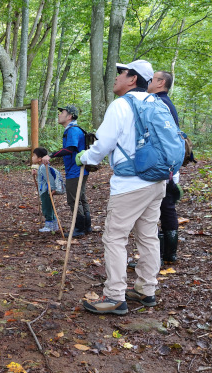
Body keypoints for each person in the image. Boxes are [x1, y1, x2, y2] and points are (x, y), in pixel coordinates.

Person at [76, 60, 164, 315]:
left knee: (114, 237)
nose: (116, 78)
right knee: (147, 236)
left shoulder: (122, 105)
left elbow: (104, 144)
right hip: (157, 182)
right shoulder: (156, 104)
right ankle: (146, 290)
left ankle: (115, 296)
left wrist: (86, 158)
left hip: (130, 184)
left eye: (121, 73)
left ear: (133, 78)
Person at [41, 105, 90, 237]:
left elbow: (70, 149)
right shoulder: (72, 129)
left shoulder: (73, 130)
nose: (59, 115)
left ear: (69, 116)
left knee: (74, 199)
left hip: (76, 170)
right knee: (81, 197)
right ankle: (87, 226)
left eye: (62, 112)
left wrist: (51, 155)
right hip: (78, 170)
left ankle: (79, 228)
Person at [148, 70, 180, 264]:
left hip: (164, 166)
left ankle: (163, 255)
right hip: (168, 166)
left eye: (152, 79)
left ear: (161, 83)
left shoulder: (159, 104)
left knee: (162, 208)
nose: (148, 82)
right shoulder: (165, 103)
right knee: (166, 208)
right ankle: (167, 254)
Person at [31, 147, 63, 233]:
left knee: (46, 208)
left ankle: (49, 226)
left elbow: (50, 179)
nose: (32, 157)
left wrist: (52, 189)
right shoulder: (42, 167)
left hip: (46, 191)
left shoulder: (43, 167)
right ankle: (54, 225)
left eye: (34, 155)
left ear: (39, 158)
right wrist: (36, 173)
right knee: (49, 207)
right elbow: (43, 177)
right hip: (45, 190)